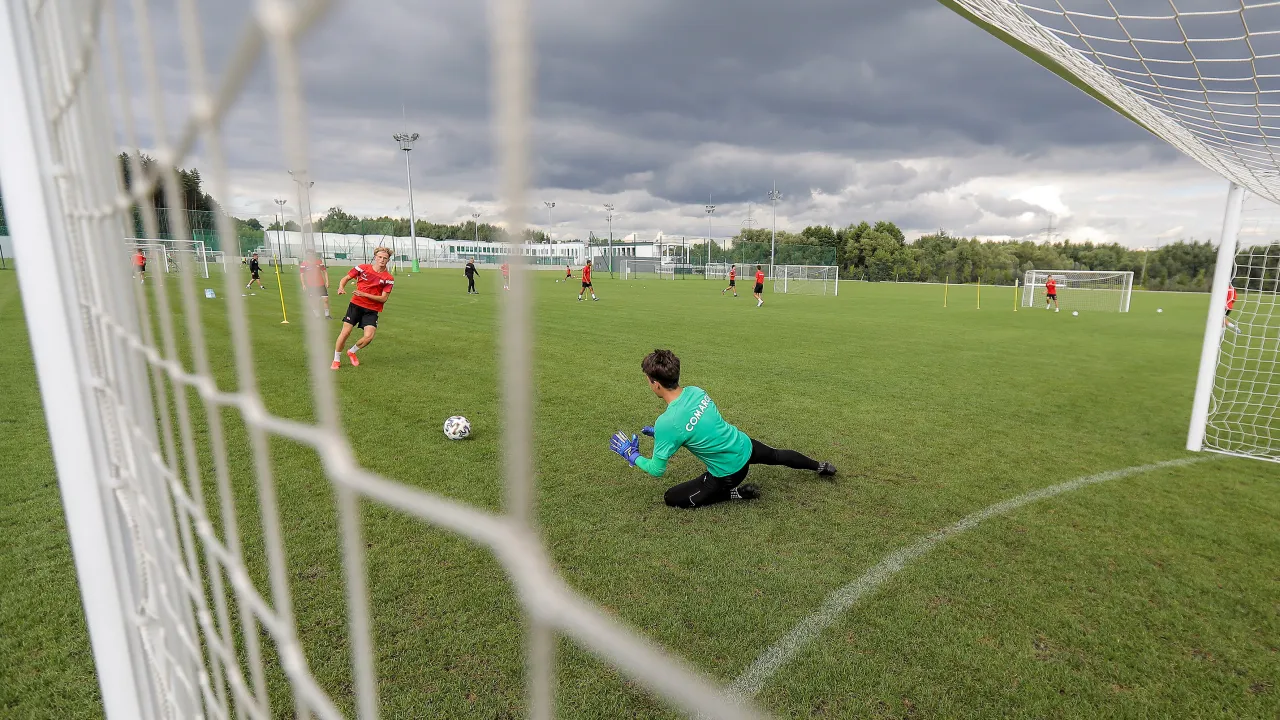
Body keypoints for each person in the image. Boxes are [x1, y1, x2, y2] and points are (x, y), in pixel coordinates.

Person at [610, 349, 836, 508]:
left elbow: (657, 470)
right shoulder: (696, 391)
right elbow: (699, 426)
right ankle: (820, 466)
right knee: (776, 455)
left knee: (671, 497)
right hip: (744, 444)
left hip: (729, 473)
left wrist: (632, 455)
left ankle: (733, 494)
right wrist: (661, 435)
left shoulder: (668, 422)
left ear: (655, 383)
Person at [331, 247, 394, 370]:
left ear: (388, 260)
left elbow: (383, 299)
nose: (382, 260)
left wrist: (365, 294)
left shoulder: (389, 278)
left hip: (371, 310)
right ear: (375, 257)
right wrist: (341, 287)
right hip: (356, 306)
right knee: (345, 333)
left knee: (369, 337)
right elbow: (346, 278)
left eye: (385, 258)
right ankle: (336, 359)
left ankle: (352, 351)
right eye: (380, 257)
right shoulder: (362, 268)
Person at [299, 252, 332, 319]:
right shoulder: (304, 264)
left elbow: (324, 272)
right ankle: (317, 316)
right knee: (314, 301)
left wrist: (327, 281)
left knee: (325, 300)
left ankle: (327, 315)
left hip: (321, 284)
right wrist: (303, 285)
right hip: (311, 286)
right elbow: (302, 275)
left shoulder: (319, 262)